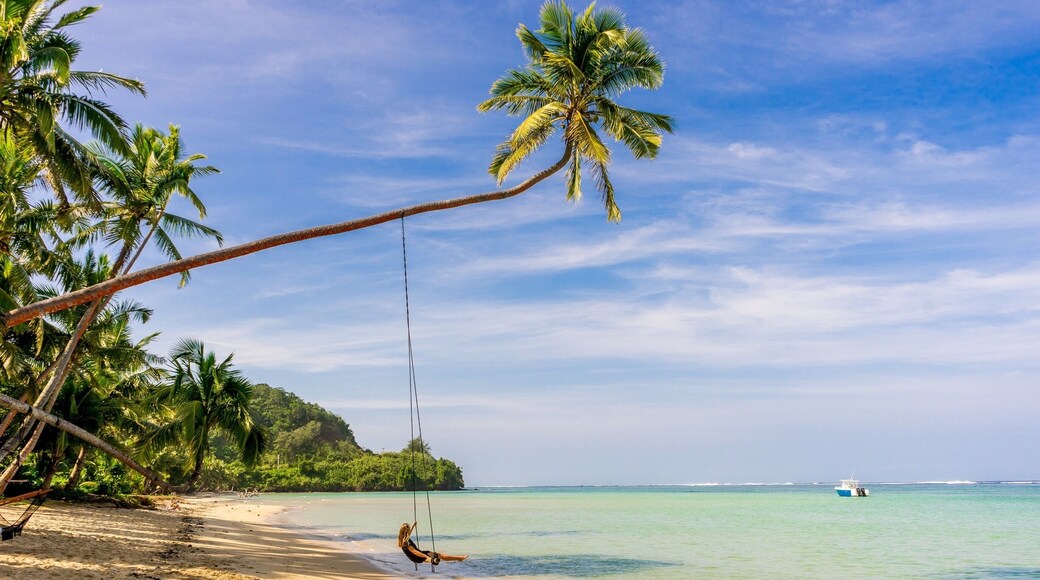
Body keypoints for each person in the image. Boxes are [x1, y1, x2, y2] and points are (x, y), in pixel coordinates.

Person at [397, 522, 468, 565]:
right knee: (434, 557)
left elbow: (409, 533)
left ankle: (459, 558)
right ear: (407, 530)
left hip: (414, 557)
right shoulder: (406, 542)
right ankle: (433, 560)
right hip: (418, 556)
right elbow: (414, 552)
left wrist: (413, 525)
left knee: (439, 555)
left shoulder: (402, 538)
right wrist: (426, 556)